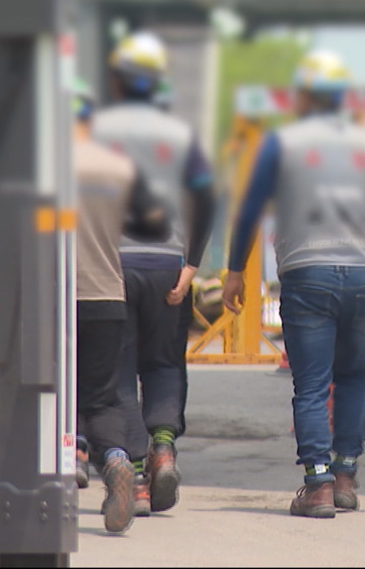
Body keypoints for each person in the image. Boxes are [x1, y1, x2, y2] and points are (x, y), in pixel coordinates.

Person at [221, 49, 365, 518]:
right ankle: (346, 474)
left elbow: (249, 208)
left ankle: (318, 485)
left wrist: (233, 271)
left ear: (305, 95)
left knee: (311, 384)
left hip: (306, 272)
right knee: (352, 375)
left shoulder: (281, 142)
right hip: (360, 273)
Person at [95, 31, 216, 516]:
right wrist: (191, 266)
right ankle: (164, 447)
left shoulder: (97, 131)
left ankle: (139, 473)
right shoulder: (180, 135)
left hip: (112, 265)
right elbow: (206, 197)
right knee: (165, 364)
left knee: (120, 368)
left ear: (118, 82)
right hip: (167, 264)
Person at [69, 78, 170, 534]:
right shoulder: (116, 166)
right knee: (104, 394)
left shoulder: (36, 165)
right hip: (107, 295)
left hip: (52, 297)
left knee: (49, 386)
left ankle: (69, 454)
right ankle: (114, 461)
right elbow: (154, 221)